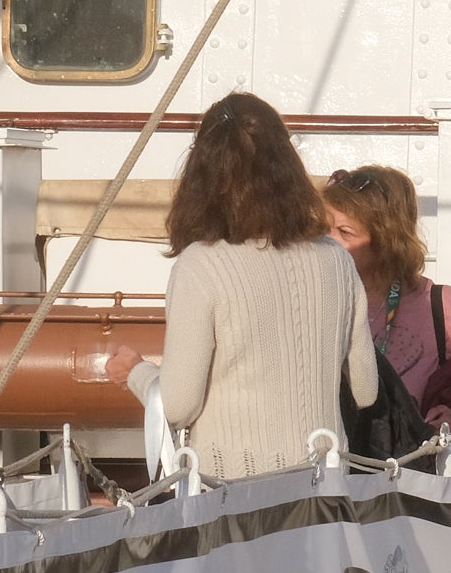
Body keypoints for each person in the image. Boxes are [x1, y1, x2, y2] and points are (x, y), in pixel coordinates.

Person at [106, 94, 376, 478]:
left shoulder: (201, 264)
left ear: (203, 175)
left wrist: (136, 371)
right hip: (327, 486)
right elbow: (366, 390)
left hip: (234, 493)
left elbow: (180, 406)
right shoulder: (335, 257)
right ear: (288, 167)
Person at [322, 163, 451, 404]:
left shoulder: (440, 305)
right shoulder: (316, 300)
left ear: (387, 241)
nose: (327, 243)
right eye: (323, 230)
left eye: (345, 232)